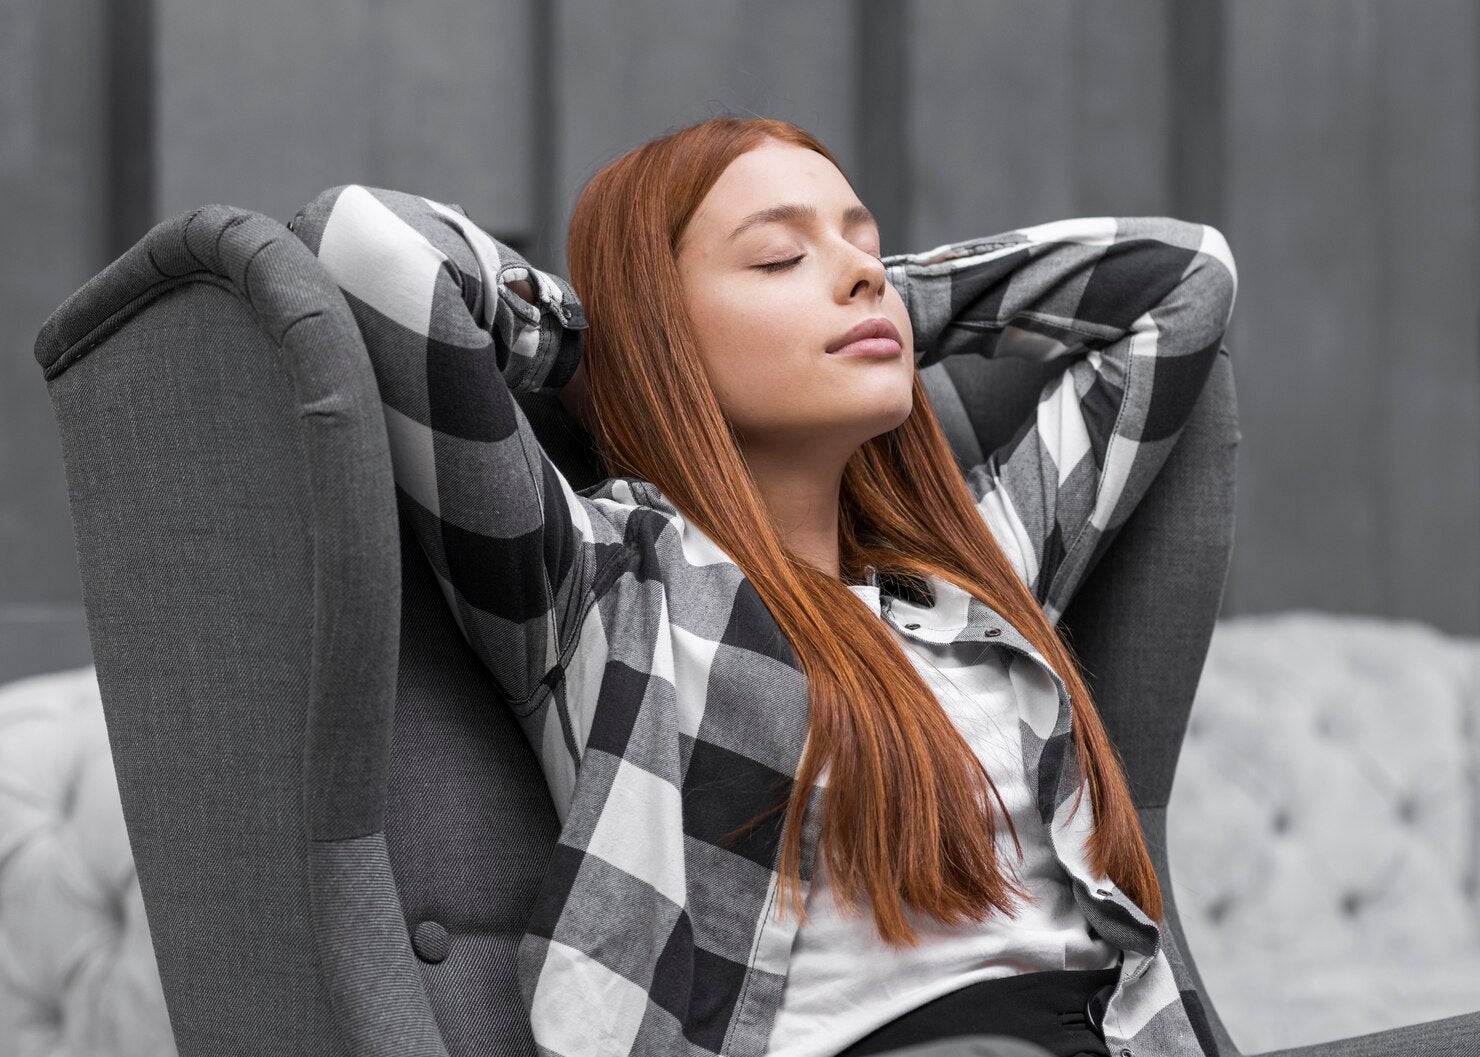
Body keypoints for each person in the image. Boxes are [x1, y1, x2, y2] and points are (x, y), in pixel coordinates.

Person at [290, 114, 1237, 1057]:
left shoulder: (974, 565)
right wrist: (611, 346)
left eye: (864, 244)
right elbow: (363, 242)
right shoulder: (610, 585)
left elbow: (1185, 282)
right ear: (666, 333)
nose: (860, 270)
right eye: (778, 258)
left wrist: (888, 296)